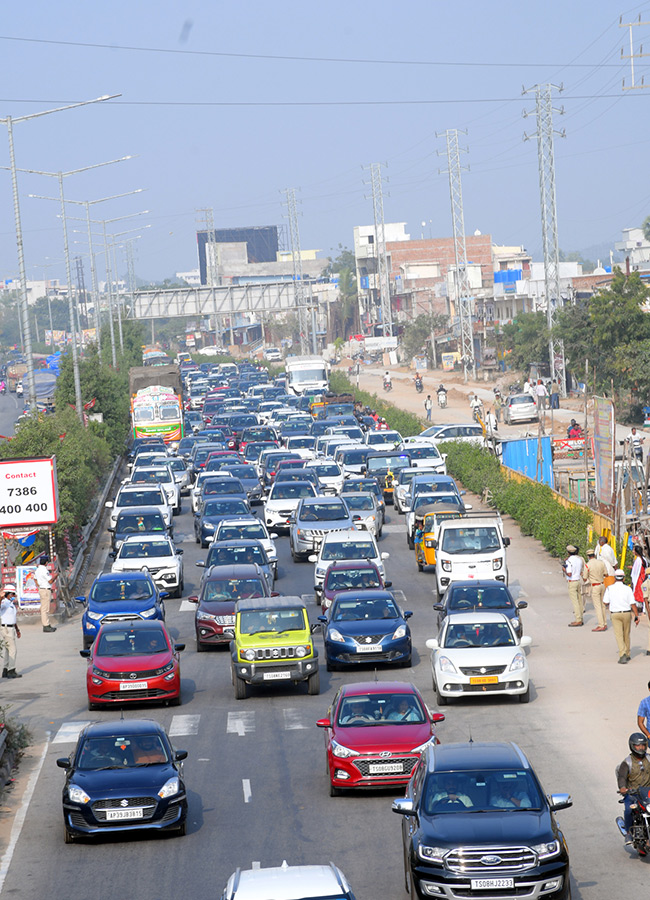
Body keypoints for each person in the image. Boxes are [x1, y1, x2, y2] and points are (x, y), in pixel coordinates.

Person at [616, 733, 650, 843]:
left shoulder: (649, 759)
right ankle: (628, 833)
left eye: (643, 745)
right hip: (633, 794)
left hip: (647, 793)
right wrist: (622, 788)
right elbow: (622, 777)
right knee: (628, 810)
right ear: (632, 746)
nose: (641, 748)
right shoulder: (627, 763)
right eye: (638, 745)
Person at [603, 569, 639, 663]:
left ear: (615, 578)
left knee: (619, 635)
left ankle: (622, 653)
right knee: (626, 634)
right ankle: (627, 653)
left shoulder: (610, 588)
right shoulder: (627, 589)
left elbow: (605, 601)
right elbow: (632, 603)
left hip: (615, 614)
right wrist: (636, 615)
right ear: (623, 578)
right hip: (626, 613)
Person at [0, 584, 22, 679]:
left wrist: (17, 629)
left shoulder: (10, 603)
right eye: (13, 594)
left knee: (8, 650)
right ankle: (11, 670)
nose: (14, 596)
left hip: (11, 627)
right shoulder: (4, 603)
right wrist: (0, 597)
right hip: (6, 629)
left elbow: (12, 618)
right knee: (13, 650)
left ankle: (5, 669)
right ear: (8, 594)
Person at [563, 544, 587, 627]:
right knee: (580, 600)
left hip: (572, 581)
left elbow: (569, 573)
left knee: (575, 601)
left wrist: (564, 569)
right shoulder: (579, 560)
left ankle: (578, 619)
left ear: (568, 552)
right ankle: (581, 618)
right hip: (578, 580)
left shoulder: (568, 561)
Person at [585, 547, 608, 632]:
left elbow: (584, 578)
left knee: (597, 606)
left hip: (595, 586)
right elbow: (606, 574)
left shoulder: (588, 565)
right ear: (594, 555)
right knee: (603, 605)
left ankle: (601, 624)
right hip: (602, 584)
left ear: (588, 556)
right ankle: (604, 623)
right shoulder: (601, 563)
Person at [34, 555, 57, 633]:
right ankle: (46, 625)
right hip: (45, 590)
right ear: (46, 562)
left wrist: (39, 585)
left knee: (44, 608)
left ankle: (47, 624)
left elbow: (35, 579)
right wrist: (55, 576)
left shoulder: (37, 570)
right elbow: (50, 581)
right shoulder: (44, 570)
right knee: (45, 609)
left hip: (41, 589)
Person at [631, 544, 647, 612]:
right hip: (643, 578)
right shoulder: (644, 559)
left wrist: (634, 578)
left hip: (639, 579)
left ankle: (638, 608)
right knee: (644, 593)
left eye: (634, 550)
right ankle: (644, 608)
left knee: (640, 593)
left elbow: (636, 571)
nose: (633, 551)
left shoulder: (638, 560)